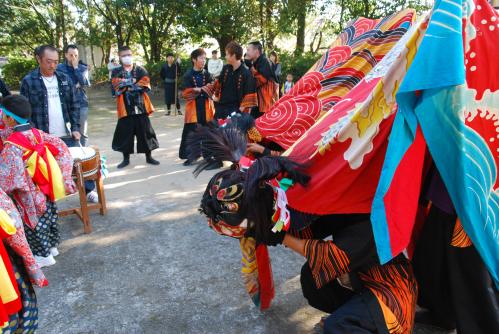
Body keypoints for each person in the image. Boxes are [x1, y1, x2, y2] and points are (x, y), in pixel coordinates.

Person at [412, 167, 499, 334]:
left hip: (480, 182)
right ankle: (442, 312)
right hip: (455, 170)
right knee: (435, 246)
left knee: (472, 264)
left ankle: (484, 327)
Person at [0, 94, 76, 268]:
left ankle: (43, 255)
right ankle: (52, 246)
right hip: (45, 184)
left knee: (33, 221)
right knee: (49, 213)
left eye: (3, 115)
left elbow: (5, 178)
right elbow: (61, 148)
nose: (2, 119)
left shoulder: (12, 146)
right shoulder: (37, 134)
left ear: (10, 119)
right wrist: (63, 175)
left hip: (29, 190)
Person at [20, 45, 98, 203]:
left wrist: (76, 127)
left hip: (67, 132)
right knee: (45, 170)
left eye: (55, 62)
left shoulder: (64, 78)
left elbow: (74, 105)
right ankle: (47, 202)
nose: (52, 65)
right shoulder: (29, 81)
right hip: (43, 136)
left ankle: (89, 190)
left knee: (78, 164)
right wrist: (33, 134)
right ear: (38, 59)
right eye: (48, 61)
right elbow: (25, 111)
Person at [111, 46, 160, 168]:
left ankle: (149, 157)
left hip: (141, 106)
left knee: (145, 132)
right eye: (124, 55)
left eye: (128, 54)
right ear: (120, 57)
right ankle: (125, 159)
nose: (127, 57)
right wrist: (132, 83)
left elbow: (144, 84)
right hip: (125, 107)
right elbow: (116, 86)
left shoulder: (140, 70)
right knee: (125, 133)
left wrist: (126, 84)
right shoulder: (116, 71)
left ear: (132, 55)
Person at [179, 48, 215, 166]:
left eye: (205, 58)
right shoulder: (188, 75)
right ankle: (191, 156)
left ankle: (209, 156)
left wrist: (201, 90)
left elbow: (212, 88)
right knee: (191, 132)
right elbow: (185, 93)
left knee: (208, 132)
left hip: (206, 107)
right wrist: (198, 89)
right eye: (201, 58)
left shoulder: (208, 74)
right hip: (193, 108)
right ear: (194, 59)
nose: (204, 61)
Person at [213, 41, 257, 120]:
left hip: (236, 112)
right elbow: (218, 87)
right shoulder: (225, 68)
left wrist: (238, 113)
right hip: (221, 109)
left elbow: (249, 97)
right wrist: (215, 104)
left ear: (233, 55)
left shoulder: (246, 73)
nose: (225, 57)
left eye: (227, 54)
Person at [57, 44, 91, 146]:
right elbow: (60, 84)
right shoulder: (59, 68)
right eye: (71, 55)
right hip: (65, 104)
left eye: (76, 55)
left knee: (82, 131)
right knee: (67, 131)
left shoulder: (82, 68)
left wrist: (76, 68)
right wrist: (74, 85)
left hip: (81, 103)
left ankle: (84, 154)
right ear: (66, 55)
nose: (73, 58)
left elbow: (84, 83)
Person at [245, 42, 279, 117]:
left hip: (266, 103)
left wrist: (250, 67)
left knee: (259, 124)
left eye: (248, 50)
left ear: (256, 51)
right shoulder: (255, 62)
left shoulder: (265, 61)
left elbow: (261, 80)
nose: (246, 53)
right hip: (259, 102)